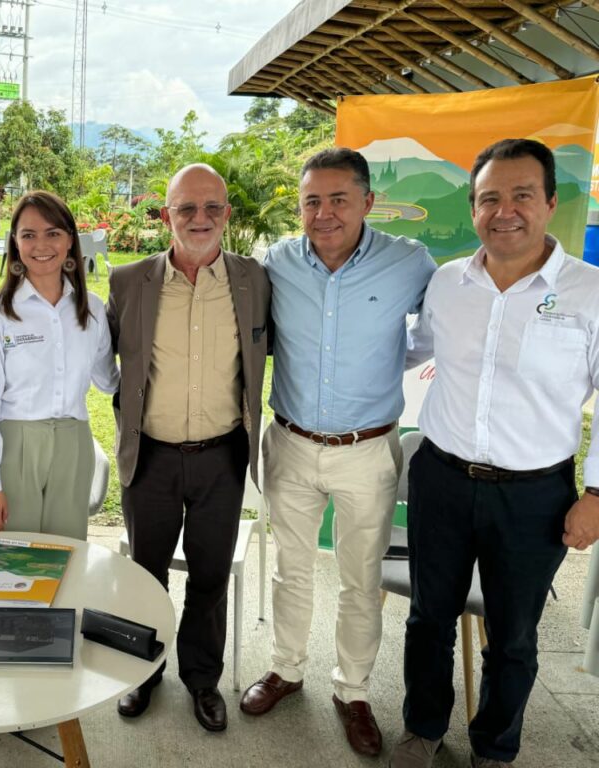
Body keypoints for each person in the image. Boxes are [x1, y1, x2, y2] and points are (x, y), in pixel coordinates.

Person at [390, 138, 599, 768]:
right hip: (442, 477)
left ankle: (495, 747)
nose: (504, 210)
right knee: (428, 618)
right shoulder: (448, 282)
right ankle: (422, 728)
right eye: (489, 198)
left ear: (550, 203)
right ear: (474, 206)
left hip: (535, 494)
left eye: (520, 196)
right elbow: (412, 350)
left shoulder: (589, 292)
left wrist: (596, 495)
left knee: (512, 637)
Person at [240, 147, 436, 757]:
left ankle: (352, 690)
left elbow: (429, 339)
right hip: (291, 443)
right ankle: (286, 668)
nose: (323, 213)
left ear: (368, 202)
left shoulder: (410, 263)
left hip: (367, 449)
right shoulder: (276, 261)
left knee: (359, 580)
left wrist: (374, 370)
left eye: (338, 199)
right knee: (291, 568)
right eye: (312, 201)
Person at [106, 163, 270, 731]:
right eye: (186, 208)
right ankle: (143, 675)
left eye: (212, 208)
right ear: (165, 215)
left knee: (209, 575)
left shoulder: (254, 281)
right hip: (150, 457)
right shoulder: (129, 282)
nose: (200, 219)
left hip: (222, 457)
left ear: (227, 213)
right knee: (146, 573)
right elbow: (105, 361)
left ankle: (202, 678)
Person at [0, 191, 118, 538]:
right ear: (15, 243)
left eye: (53, 233)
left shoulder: (92, 309)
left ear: (69, 240)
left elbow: (108, 380)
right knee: (11, 563)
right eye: (28, 235)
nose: (41, 245)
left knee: (65, 558)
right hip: (15, 446)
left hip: (74, 444)